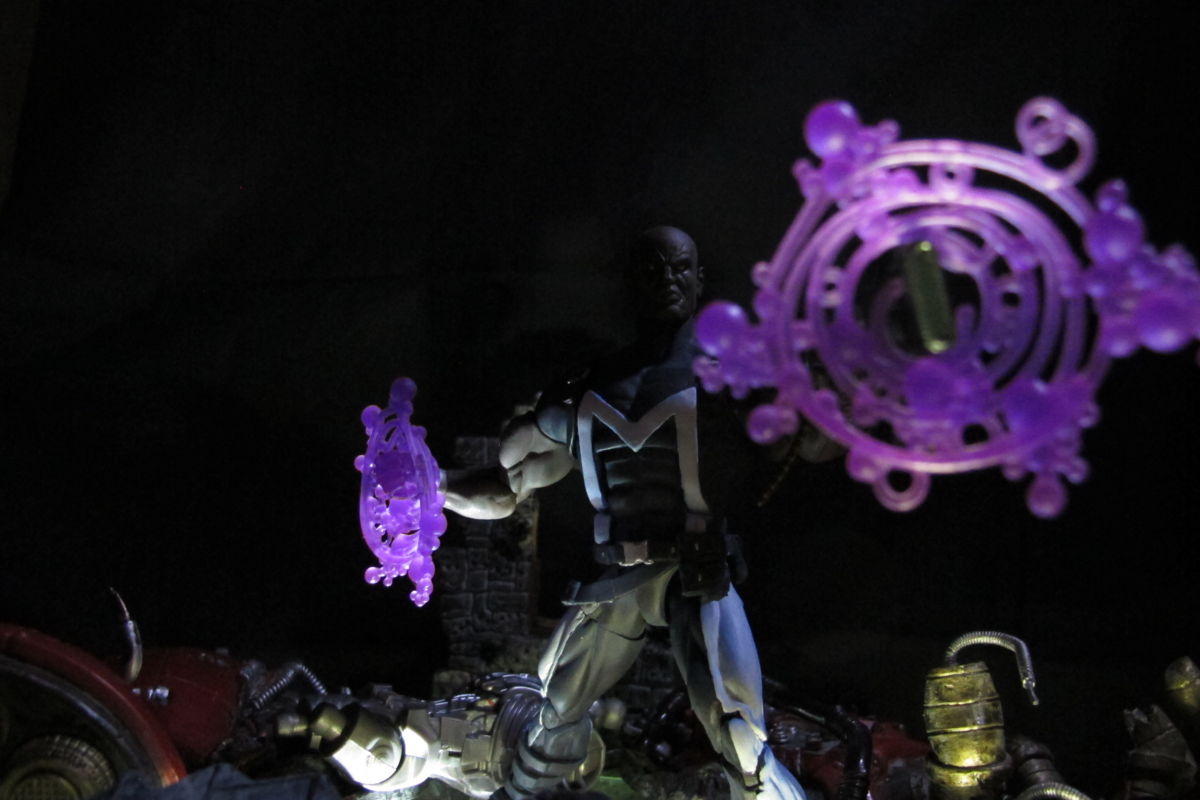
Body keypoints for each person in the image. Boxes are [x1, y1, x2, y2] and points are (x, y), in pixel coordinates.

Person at [444, 226, 818, 800]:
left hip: (697, 574)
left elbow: (810, 437)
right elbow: (506, 485)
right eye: (652, 270)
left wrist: (840, 399)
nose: (667, 280)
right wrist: (433, 488)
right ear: (629, 285)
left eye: (679, 268)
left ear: (698, 280)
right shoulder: (581, 391)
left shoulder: (730, 377)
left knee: (741, 737)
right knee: (552, 715)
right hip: (616, 576)